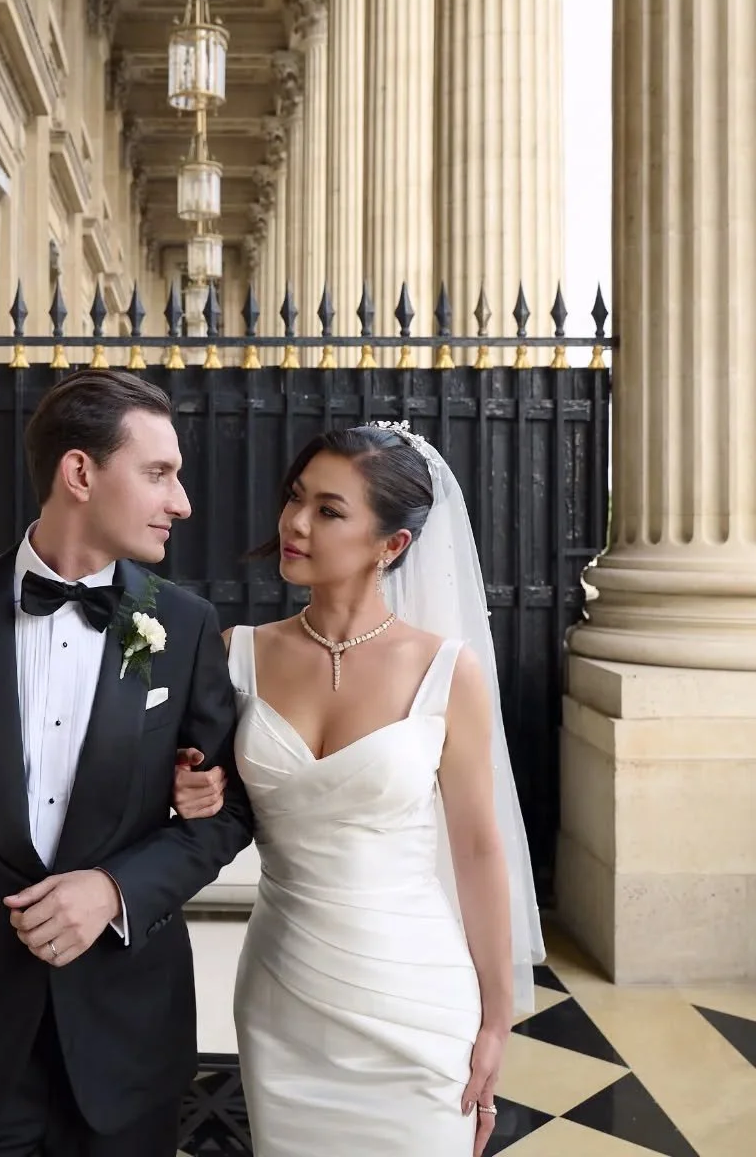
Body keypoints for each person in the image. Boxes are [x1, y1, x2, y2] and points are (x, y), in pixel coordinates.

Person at [0, 368, 253, 1157]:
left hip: (127, 1042)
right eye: (159, 474)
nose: (183, 502)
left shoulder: (187, 625)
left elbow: (228, 812)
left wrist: (114, 890)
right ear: (79, 472)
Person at [173, 422, 544, 1157]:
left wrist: (495, 1022)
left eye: (329, 510)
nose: (296, 523)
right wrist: (193, 785)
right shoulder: (236, 655)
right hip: (285, 994)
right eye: (295, 498)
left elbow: (476, 849)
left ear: (391, 546)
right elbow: (201, 798)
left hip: (417, 996)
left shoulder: (447, 671)